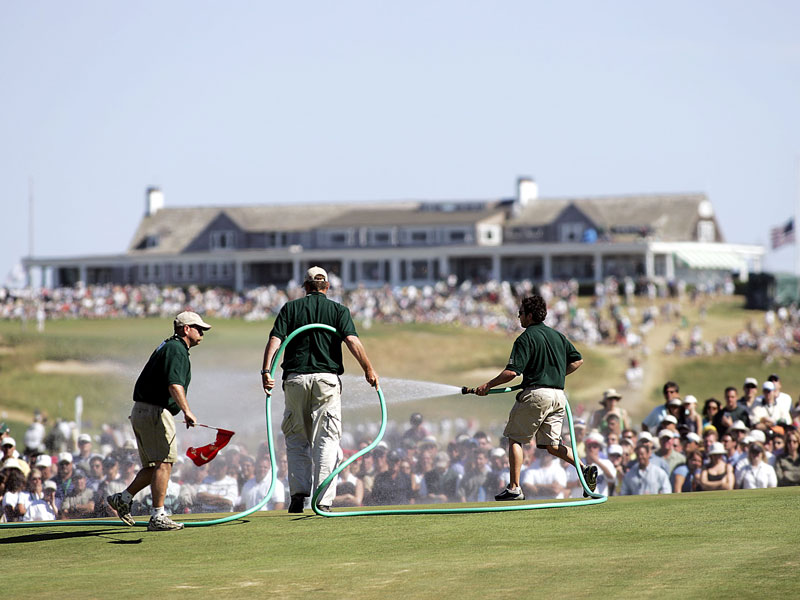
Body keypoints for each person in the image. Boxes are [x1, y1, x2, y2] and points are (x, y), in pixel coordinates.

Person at [261, 266, 379, 513]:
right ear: (326, 287)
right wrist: (368, 369)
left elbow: (275, 340)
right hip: (326, 379)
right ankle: (323, 500)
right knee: (326, 438)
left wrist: (266, 371)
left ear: (305, 286)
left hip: (294, 379)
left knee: (296, 438)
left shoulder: (290, 308)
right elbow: (352, 341)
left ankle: (297, 496)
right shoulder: (338, 310)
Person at [475, 294, 597, 500]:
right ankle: (584, 469)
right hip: (559, 396)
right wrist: (554, 376)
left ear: (530, 315)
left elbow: (512, 372)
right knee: (552, 445)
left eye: (520, 313)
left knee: (515, 438)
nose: (518, 317)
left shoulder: (526, 338)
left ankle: (514, 487)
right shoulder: (558, 336)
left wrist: (487, 385)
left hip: (537, 394)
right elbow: (578, 361)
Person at [107, 311, 210, 532]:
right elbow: (174, 385)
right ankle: (158, 516)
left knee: (155, 466)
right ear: (186, 329)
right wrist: (187, 411)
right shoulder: (177, 349)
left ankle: (123, 498)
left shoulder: (169, 346)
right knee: (164, 463)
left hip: (144, 410)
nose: (202, 332)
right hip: (154, 411)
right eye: (198, 328)